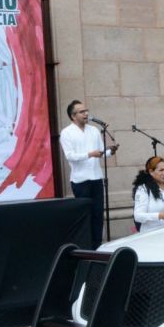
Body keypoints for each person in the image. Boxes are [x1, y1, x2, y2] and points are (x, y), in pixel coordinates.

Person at [59, 99, 118, 248]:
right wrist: (90, 154)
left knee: (98, 215)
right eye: (81, 112)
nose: (86, 114)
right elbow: (70, 156)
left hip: (97, 178)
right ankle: (86, 247)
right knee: (86, 216)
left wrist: (110, 151)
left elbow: (101, 153)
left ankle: (97, 246)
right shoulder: (67, 133)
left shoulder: (94, 130)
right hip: (80, 181)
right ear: (73, 116)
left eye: (86, 111)